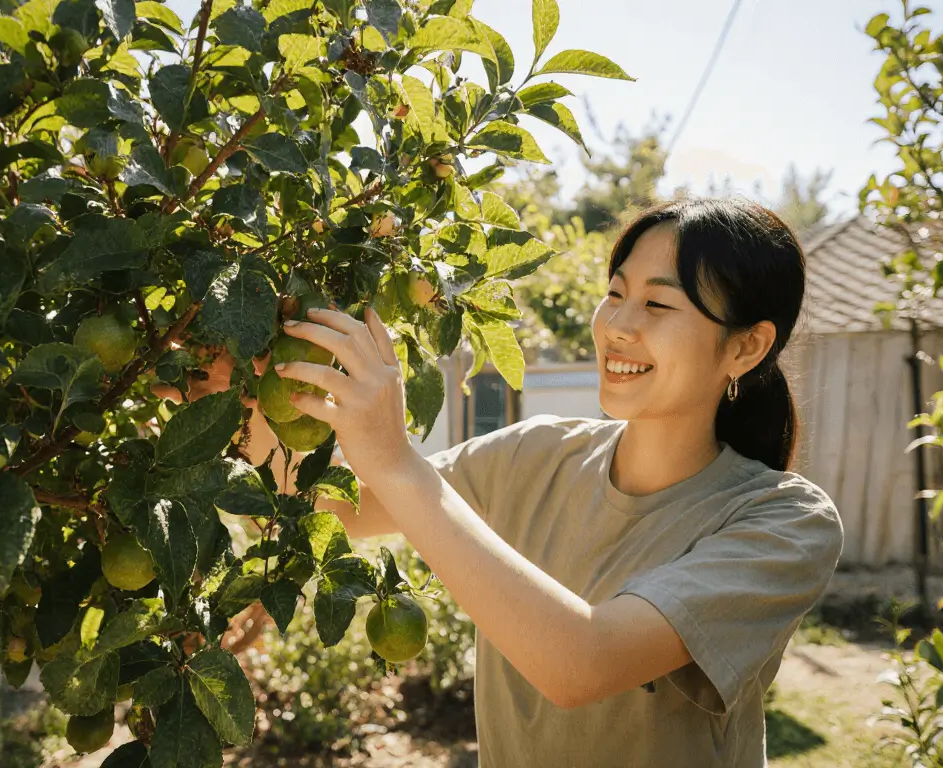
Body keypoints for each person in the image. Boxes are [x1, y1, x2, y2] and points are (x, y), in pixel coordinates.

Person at [159, 197, 843, 767]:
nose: (620, 326)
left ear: (746, 346)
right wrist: (241, 402)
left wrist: (396, 457)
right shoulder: (538, 455)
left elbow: (582, 663)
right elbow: (339, 508)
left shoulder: (782, 523)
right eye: (615, 294)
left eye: (659, 307)